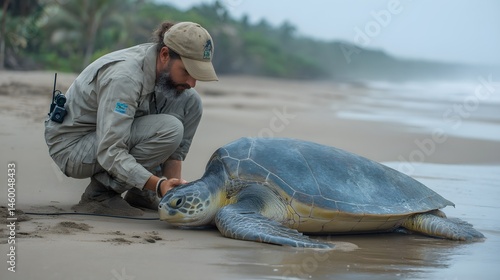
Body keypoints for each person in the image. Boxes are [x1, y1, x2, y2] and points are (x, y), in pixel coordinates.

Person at [44, 21, 218, 216]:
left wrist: (175, 197)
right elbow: (110, 151)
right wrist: (159, 184)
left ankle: (141, 193)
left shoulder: (157, 64)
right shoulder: (125, 79)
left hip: (102, 137)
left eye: (197, 75)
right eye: (186, 71)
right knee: (170, 129)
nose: (192, 82)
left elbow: (175, 154)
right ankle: (100, 196)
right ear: (164, 55)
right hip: (73, 146)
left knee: (190, 101)